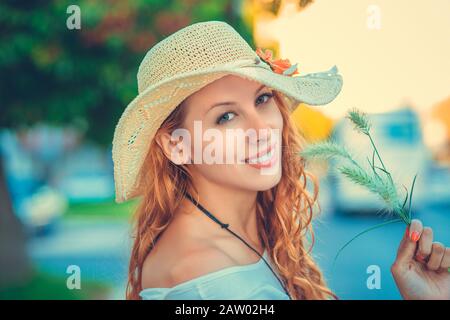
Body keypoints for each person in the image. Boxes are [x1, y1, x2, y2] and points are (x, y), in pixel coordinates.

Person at [111, 21, 450, 300]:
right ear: (176, 146)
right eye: (226, 116)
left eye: (262, 98)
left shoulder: (234, 233)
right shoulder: (212, 283)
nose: (263, 128)